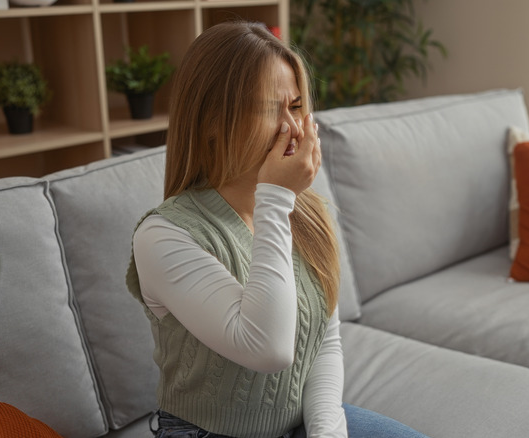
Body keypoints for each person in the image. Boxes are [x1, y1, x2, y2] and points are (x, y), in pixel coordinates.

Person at [126, 21, 430, 438]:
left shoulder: (305, 211)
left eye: (297, 106)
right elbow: (267, 349)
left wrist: (326, 431)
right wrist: (275, 197)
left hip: (299, 422)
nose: (294, 128)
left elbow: (323, 340)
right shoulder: (163, 236)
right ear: (212, 121)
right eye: (272, 109)